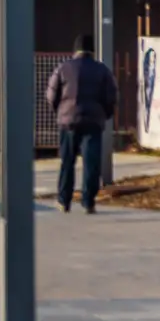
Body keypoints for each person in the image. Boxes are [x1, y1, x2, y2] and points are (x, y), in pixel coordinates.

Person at [45, 34, 118, 214]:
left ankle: (64, 200)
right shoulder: (102, 70)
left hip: (68, 121)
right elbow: (111, 97)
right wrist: (105, 115)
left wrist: (60, 112)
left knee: (67, 161)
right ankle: (88, 201)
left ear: (75, 50)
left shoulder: (63, 68)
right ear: (93, 50)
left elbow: (51, 95)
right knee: (91, 163)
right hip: (93, 121)